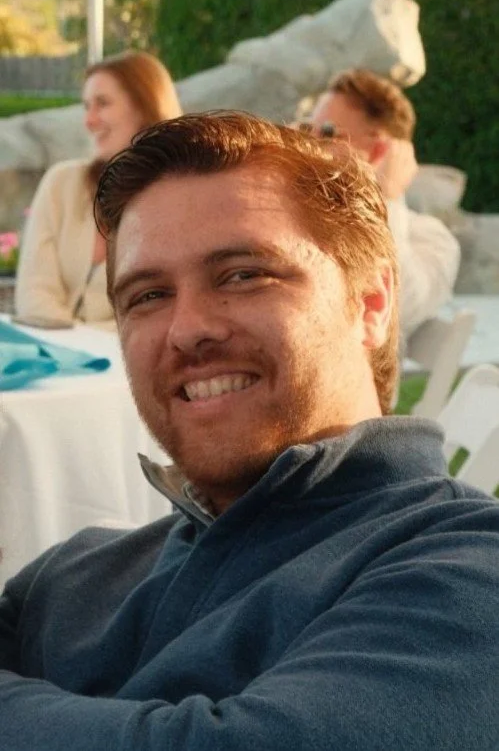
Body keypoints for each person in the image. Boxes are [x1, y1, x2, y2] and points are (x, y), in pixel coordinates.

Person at [1, 112, 498, 750]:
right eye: (148, 295)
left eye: (243, 274)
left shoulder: (464, 565)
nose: (188, 329)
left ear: (370, 303)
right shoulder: (73, 576)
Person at [14, 50, 182, 327]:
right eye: (86, 106)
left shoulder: (182, 200)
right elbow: (33, 294)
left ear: (145, 106)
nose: (89, 121)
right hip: (58, 360)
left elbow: (162, 314)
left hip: (135, 365)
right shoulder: (62, 183)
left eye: (102, 103)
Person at [310, 68, 461, 340]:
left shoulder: (431, 239)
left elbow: (398, 307)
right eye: (307, 130)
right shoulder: (297, 218)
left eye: (328, 133)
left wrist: (385, 198)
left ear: (381, 150)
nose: (309, 145)